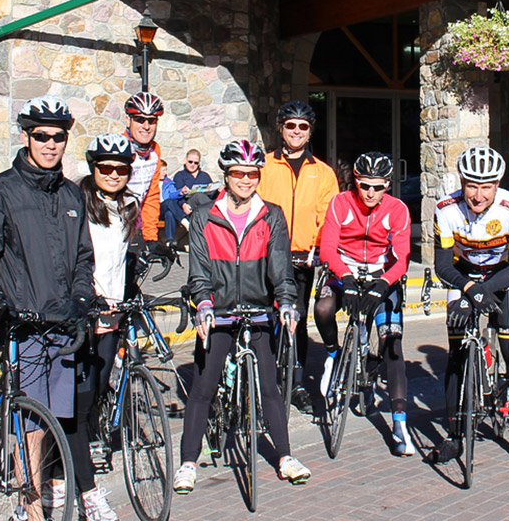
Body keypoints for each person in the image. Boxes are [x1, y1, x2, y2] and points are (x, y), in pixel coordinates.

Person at [0, 95, 100, 521]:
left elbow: (82, 257)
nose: (51, 144)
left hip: (61, 323)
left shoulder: (71, 194)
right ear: (26, 136)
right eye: (41, 135)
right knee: (30, 421)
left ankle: (29, 502)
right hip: (20, 322)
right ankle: (31, 514)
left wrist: (82, 296)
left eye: (58, 136)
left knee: (48, 421)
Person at [173, 139, 312, 494]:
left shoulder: (272, 215)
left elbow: (280, 269)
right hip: (218, 311)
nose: (246, 180)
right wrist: (203, 303)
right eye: (239, 173)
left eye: (252, 174)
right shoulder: (205, 216)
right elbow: (199, 271)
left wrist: (285, 303)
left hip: (257, 309)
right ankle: (188, 462)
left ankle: (284, 456)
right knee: (203, 387)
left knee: (270, 386)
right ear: (226, 175)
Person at [427, 146, 509, 467]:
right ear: (461, 182)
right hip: (462, 278)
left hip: (502, 279)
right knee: (456, 355)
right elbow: (441, 266)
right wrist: (470, 291)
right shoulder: (446, 208)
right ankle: (453, 435)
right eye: (472, 186)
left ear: (498, 184)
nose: (478, 196)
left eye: (486, 187)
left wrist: (483, 291)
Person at [315, 151, 414, 456]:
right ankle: (333, 354)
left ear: (387, 185)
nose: (371, 193)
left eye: (378, 186)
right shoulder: (340, 203)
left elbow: (403, 258)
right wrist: (343, 278)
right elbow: (328, 248)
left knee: (392, 345)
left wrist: (384, 283)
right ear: (356, 182)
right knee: (323, 309)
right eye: (365, 185)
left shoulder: (397, 209)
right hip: (342, 270)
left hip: (381, 275)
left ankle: (400, 425)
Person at [257, 100, 339, 414]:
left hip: (304, 257)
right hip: (267, 254)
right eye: (290, 125)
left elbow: (327, 217)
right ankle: (266, 381)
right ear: (281, 128)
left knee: (298, 321)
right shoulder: (265, 165)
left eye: (302, 126)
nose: (296, 131)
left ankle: (297, 382)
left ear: (309, 131)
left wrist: (318, 250)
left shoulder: (322, 172)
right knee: (264, 318)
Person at [78, 133, 141, 518]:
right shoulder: (78, 201)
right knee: (82, 394)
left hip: (112, 309)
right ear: (93, 169)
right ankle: (78, 477)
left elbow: (122, 258)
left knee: (99, 387)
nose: (114, 174)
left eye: (121, 169)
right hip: (85, 309)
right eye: (106, 168)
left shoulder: (129, 205)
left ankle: (80, 450)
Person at [122, 90, 166, 244]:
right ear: (128, 120)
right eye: (140, 120)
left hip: (135, 226)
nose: (146, 126)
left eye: (152, 120)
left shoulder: (155, 151)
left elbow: (151, 196)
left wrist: (150, 238)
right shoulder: (119, 148)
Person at [162, 149, 215, 242]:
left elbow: (211, 194)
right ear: (185, 160)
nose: (192, 165)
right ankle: (216, 217)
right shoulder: (180, 176)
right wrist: (183, 204)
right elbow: (176, 195)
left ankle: (214, 218)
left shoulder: (204, 176)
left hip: (203, 207)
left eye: (196, 163)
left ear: (199, 163)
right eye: (190, 162)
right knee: (198, 196)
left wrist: (218, 190)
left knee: (203, 197)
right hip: (188, 205)